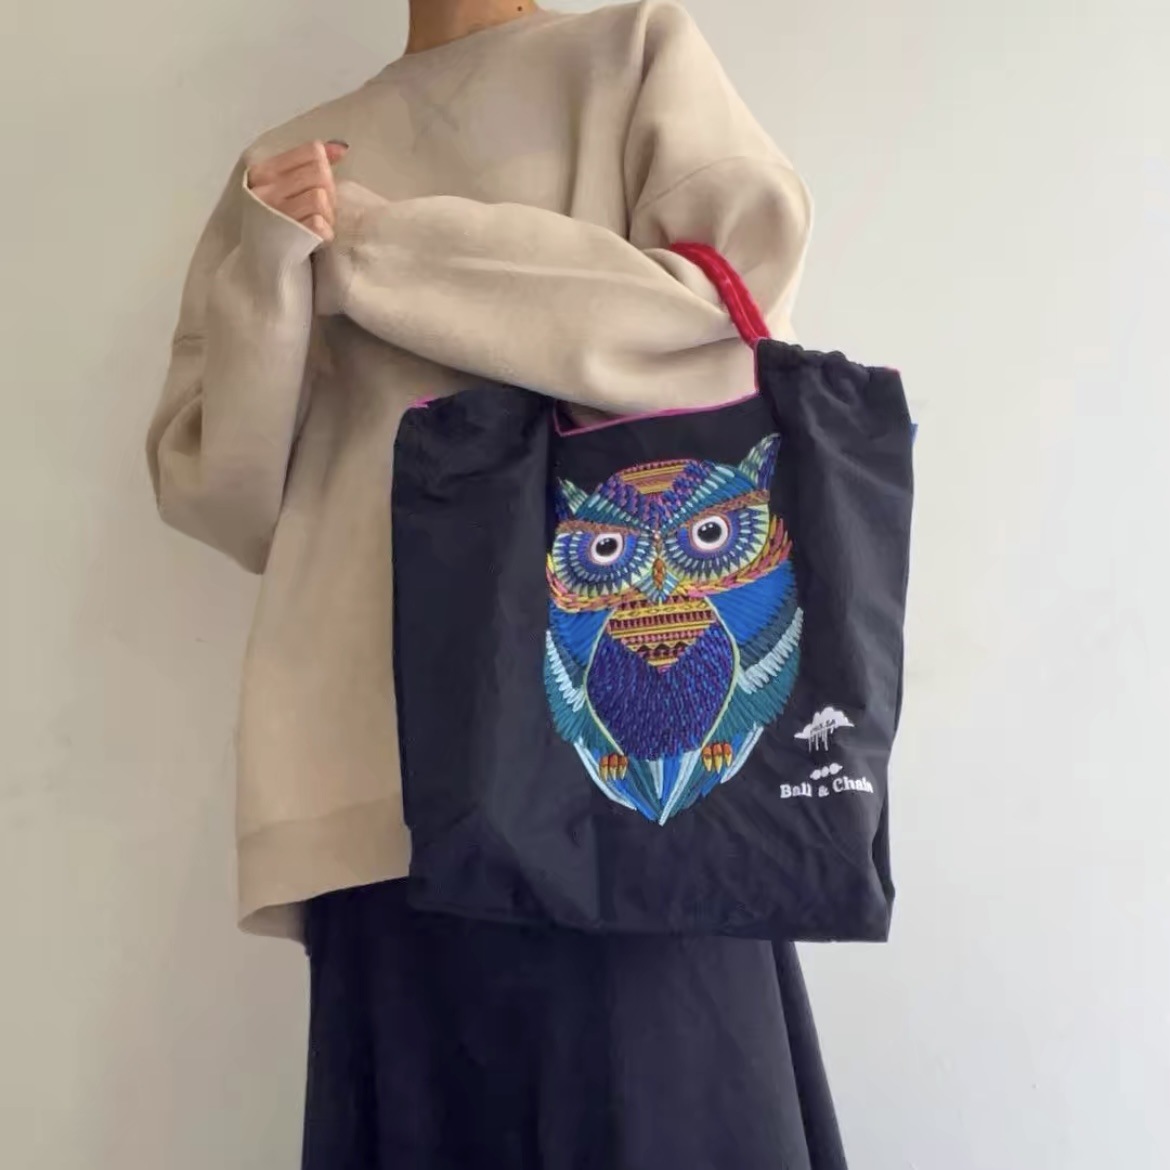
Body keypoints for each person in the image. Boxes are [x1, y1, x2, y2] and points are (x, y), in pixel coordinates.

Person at [148, 1, 843, 1166]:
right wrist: (268, 270)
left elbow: (724, 325)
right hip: (380, 765)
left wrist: (371, 250)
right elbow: (226, 494)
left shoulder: (630, 53)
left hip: (628, 735)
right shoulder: (285, 165)